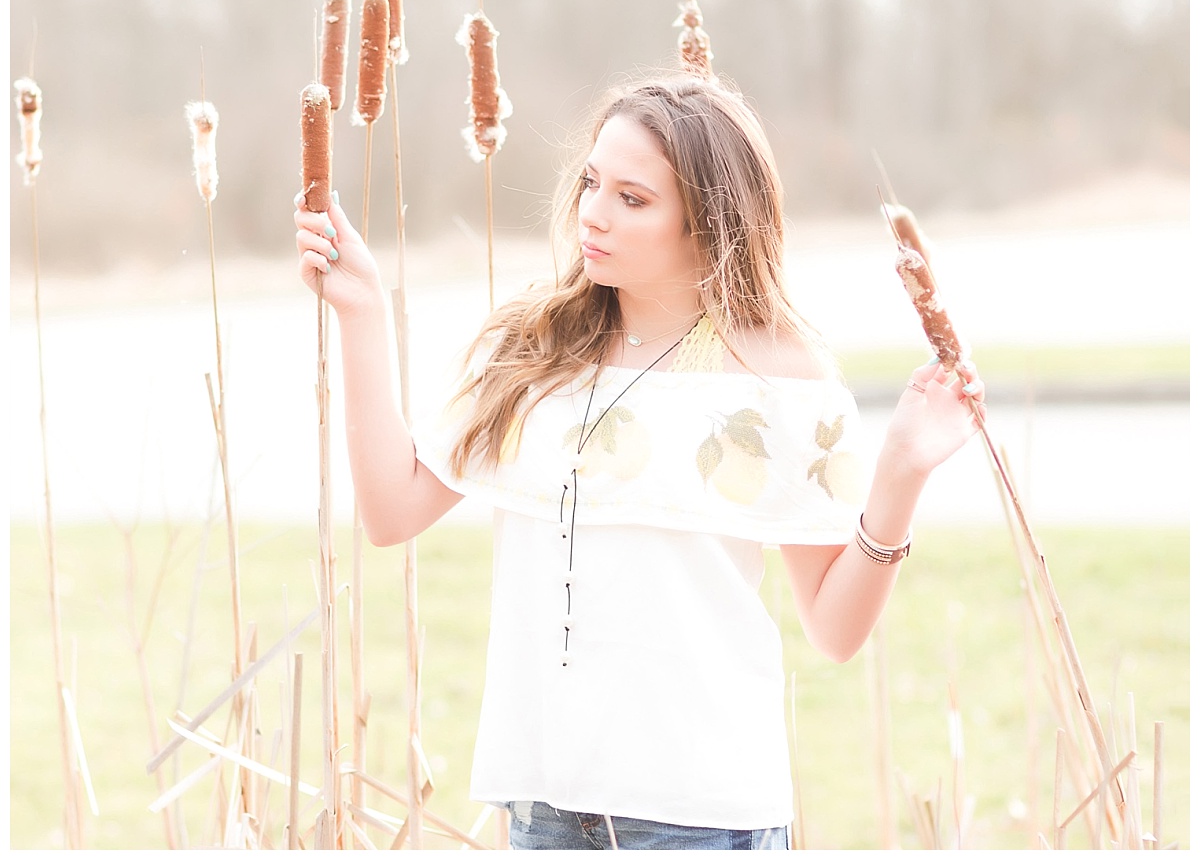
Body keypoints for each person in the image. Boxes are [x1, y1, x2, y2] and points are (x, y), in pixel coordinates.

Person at [293, 72, 985, 850]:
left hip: (702, 820)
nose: (593, 213)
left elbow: (834, 627)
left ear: (707, 219)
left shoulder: (780, 376)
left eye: (633, 198)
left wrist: (901, 474)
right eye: (592, 182)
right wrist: (363, 314)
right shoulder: (531, 353)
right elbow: (393, 510)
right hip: (545, 815)